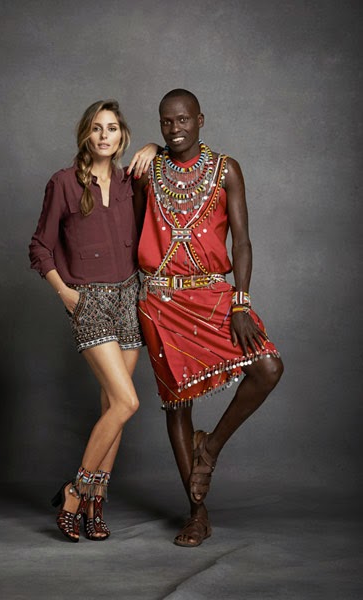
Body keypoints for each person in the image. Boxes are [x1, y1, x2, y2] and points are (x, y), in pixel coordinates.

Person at [132, 89, 284, 548]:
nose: (174, 128)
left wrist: (241, 302)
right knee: (177, 404)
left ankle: (210, 447)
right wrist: (149, 151)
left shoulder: (226, 169)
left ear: (201, 120)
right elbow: (130, 230)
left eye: (183, 120)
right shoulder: (149, 170)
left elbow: (242, 241)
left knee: (268, 367)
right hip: (160, 299)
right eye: (165, 122)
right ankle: (197, 514)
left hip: (213, 294)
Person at [29, 100, 156, 542]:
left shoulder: (130, 181)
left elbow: (170, 164)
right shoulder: (63, 182)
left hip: (129, 298)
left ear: (122, 136)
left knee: (111, 410)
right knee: (126, 402)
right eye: (97, 128)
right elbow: (40, 246)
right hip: (91, 301)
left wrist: (155, 148)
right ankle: (74, 493)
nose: (105, 136)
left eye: (113, 128)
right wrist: (65, 293)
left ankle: (96, 504)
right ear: (86, 134)